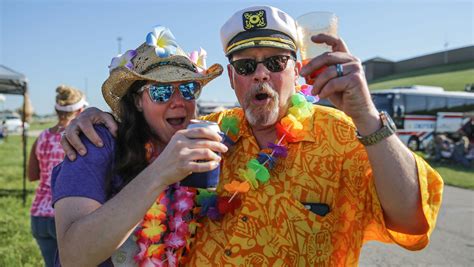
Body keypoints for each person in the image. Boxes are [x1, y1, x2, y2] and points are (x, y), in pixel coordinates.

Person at [60, 6, 444, 266]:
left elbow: (412, 221)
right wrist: (93, 117)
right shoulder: (208, 133)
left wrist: (367, 117)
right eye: (246, 65)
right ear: (232, 78)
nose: (260, 74)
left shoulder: (345, 134)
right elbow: (154, 122)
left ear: (297, 71)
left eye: (275, 62)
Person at [51, 27, 226, 266]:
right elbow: (73, 257)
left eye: (188, 89)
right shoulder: (96, 144)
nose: (178, 102)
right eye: (161, 91)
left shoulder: (205, 142)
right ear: (137, 101)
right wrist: (160, 173)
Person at [28, 85, 88, 267]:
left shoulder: (42, 137)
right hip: (68, 214)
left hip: (39, 214)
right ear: (80, 110)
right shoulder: (81, 138)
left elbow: (32, 175)